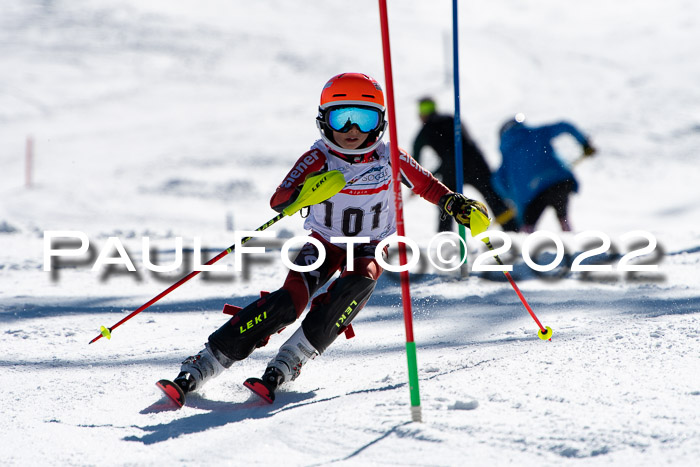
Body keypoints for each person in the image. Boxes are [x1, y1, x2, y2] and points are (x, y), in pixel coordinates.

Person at [161, 73, 488, 406]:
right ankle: (207, 361)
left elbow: (427, 186)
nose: (351, 130)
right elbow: (280, 199)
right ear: (323, 120)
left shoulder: (390, 156)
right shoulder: (319, 157)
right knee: (289, 302)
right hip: (324, 245)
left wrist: (454, 203)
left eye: (363, 119)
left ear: (379, 123)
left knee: (359, 283)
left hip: (368, 247)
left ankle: (291, 358)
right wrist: (303, 194)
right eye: (340, 118)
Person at [412, 97, 518, 232]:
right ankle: (513, 230)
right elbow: (467, 141)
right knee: (493, 196)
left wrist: (417, 181)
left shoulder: (425, 131)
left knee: (446, 201)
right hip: (476, 164)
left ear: (421, 114)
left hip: (453, 170)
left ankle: (445, 238)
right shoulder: (450, 119)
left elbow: (415, 159)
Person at [492, 113, 596, 232]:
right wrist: (584, 144)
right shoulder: (537, 133)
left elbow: (498, 182)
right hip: (560, 181)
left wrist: (514, 200)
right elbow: (565, 126)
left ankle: (527, 240)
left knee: (528, 225)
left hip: (534, 194)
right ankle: (567, 232)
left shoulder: (507, 153)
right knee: (562, 214)